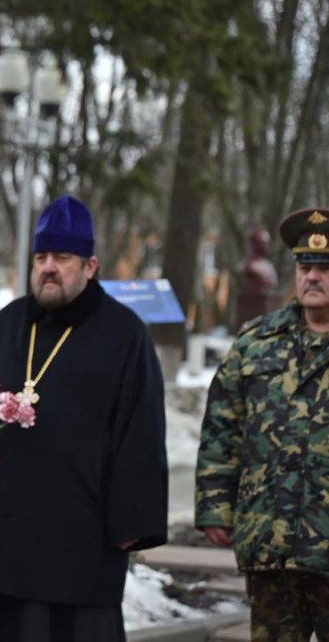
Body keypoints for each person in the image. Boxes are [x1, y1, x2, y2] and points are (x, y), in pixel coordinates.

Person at [0, 195, 168, 642]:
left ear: (90, 265)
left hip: (83, 535)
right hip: (10, 532)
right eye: (41, 257)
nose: (48, 267)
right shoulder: (6, 324)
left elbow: (140, 431)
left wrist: (131, 526)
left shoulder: (124, 332)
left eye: (62, 258)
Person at [196, 206, 329, 641]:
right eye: (306, 266)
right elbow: (223, 428)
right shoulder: (256, 342)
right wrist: (216, 506)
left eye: (325, 267)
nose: (313, 277)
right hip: (270, 543)